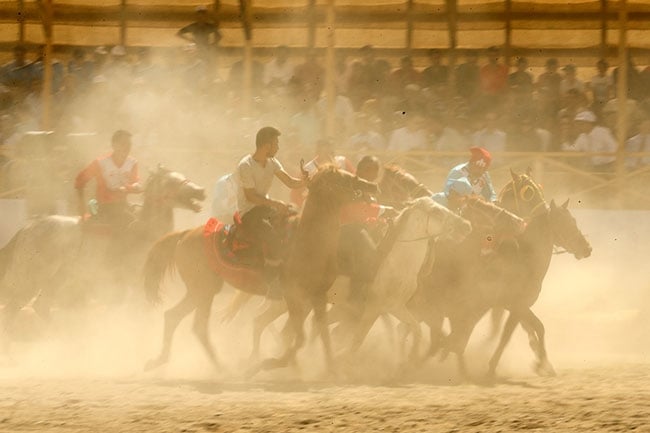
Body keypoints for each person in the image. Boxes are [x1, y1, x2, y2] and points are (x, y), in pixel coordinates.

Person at [235, 126, 307, 265]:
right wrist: (275, 204)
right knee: (270, 235)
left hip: (264, 209)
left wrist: (306, 182)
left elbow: (290, 182)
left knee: (294, 213)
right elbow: (250, 197)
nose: (278, 148)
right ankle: (271, 271)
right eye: (276, 144)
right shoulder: (245, 165)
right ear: (267, 146)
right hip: (249, 213)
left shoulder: (272, 162)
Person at [75, 130, 141, 227]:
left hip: (123, 206)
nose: (127, 147)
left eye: (129, 144)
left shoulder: (132, 163)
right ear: (114, 145)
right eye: (123, 144)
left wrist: (135, 187)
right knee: (132, 225)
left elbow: (135, 182)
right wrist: (82, 209)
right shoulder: (101, 163)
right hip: (104, 208)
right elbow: (80, 180)